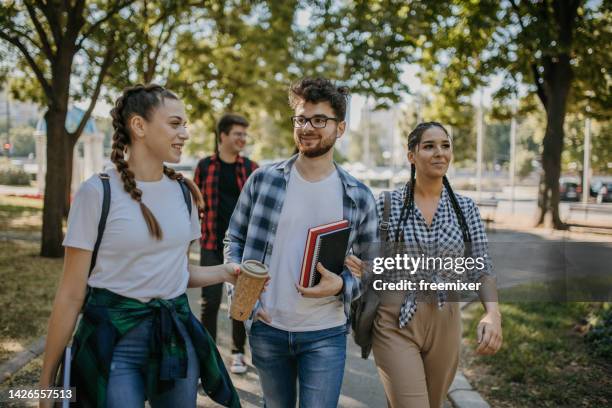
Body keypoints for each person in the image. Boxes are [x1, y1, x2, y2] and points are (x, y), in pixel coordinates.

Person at [38, 84, 241, 408]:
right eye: (175, 124)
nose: (185, 133)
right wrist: (46, 386)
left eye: (185, 124)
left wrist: (226, 272)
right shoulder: (97, 193)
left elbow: (177, 273)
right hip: (113, 338)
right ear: (139, 126)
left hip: (174, 336)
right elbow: (71, 294)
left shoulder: (183, 194)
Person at [224, 77, 378, 408]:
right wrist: (241, 296)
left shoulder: (359, 196)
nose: (308, 127)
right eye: (301, 119)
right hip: (267, 328)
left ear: (340, 128)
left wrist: (341, 286)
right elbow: (234, 237)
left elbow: (372, 268)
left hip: (326, 332)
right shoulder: (263, 180)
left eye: (319, 120)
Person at [346, 121, 503, 408]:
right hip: (395, 320)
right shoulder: (386, 204)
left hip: (447, 319)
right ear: (411, 156)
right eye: (429, 146)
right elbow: (364, 260)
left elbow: (482, 266)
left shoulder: (465, 208)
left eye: (445, 146)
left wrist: (492, 313)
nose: (439, 153)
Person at [193, 113, 258, 374]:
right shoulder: (205, 166)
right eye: (237, 134)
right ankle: (208, 355)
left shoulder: (252, 168)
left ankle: (238, 353)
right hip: (210, 242)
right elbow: (194, 206)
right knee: (210, 301)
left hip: (242, 246)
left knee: (241, 301)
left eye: (244, 134)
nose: (242, 138)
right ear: (222, 136)